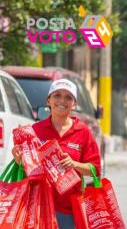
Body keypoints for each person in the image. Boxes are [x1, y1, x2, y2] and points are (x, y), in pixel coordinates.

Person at [12, 78, 101, 229]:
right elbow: (27, 169)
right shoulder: (34, 130)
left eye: (68, 97)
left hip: (69, 210)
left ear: (74, 104)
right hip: (38, 208)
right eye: (57, 95)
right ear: (49, 100)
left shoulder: (83, 131)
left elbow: (95, 170)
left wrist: (74, 164)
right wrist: (19, 160)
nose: (62, 101)